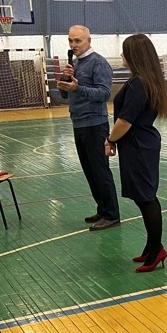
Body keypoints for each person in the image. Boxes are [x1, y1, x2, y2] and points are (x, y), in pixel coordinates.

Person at [105, 34, 167, 272]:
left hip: (139, 146)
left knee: (146, 198)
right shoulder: (144, 80)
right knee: (145, 197)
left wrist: (110, 139)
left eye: (125, 51)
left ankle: (156, 251)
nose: (122, 55)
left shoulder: (138, 84)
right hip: (140, 145)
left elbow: (125, 121)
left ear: (134, 56)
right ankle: (151, 247)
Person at [59, 25, 120, 230]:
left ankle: (112, 214)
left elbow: (104, 94)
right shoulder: (74, 64)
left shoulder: (98, 63)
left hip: (95, 125)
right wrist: (66, 81)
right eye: (70, 40)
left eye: (78, 41)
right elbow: (66, 94)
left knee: (100, 171)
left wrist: (78, 87)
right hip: (78, 123)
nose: (73, 45)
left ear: (89, 41)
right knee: (90, 171)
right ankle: (103, 209)